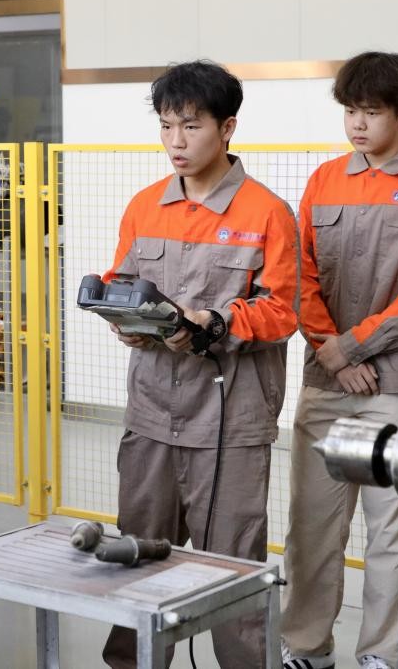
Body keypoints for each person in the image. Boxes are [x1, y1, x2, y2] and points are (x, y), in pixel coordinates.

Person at [100, 60, 299, 668]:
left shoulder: (266, 213)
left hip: (230, 423)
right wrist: (123, 319)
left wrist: (215, 322)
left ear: (227, 127)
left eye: (191, 126)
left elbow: (282, 311)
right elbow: (120, 281)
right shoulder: (145, 207)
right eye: (166, 127)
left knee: (232, 570)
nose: (176, 142)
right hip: (152, 415)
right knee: (135, 561)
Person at [282, 52, 398, 669]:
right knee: (312, 528)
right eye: (350, 112)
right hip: (328, 381)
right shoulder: (324, 180)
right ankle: (306, 647)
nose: (357, 125)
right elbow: (302, 276)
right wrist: (332, 354)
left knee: (394, 534)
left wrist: (353, 347)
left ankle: (382, 655)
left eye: (371, 112)